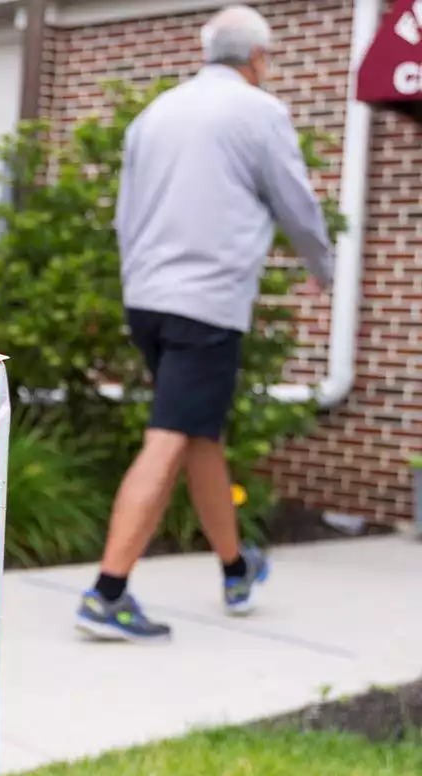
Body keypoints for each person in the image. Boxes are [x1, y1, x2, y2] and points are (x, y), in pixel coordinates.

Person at [75, 5, 335, 642]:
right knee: (170, 435)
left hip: (150, 300)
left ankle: (235, 568)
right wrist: (323, 269)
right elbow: (295, 204)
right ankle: (108, 593)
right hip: (206, 303)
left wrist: (141, 280)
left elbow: (125, 213)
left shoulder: (154, 114)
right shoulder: (259, 112)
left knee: (199, 435)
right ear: (257, 60)